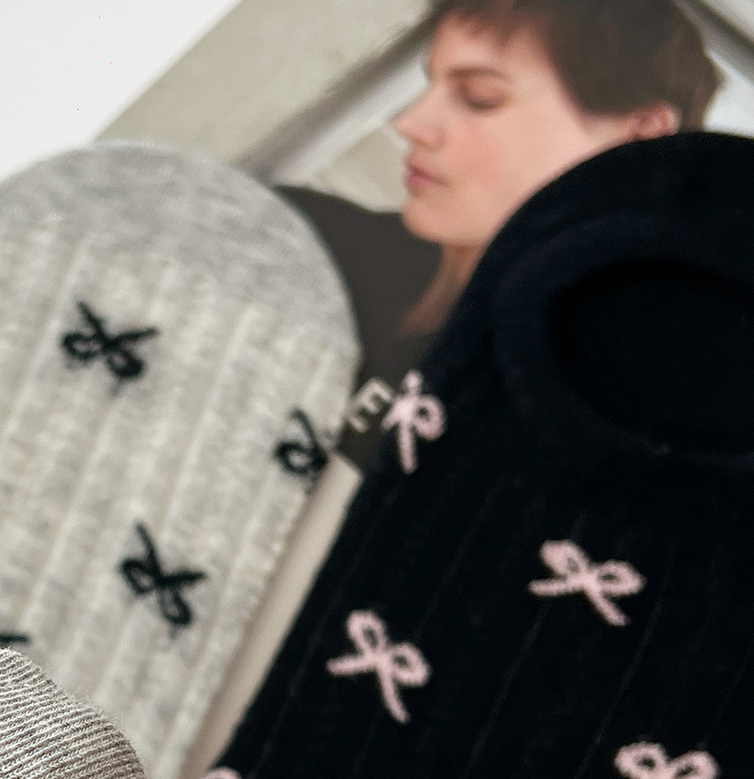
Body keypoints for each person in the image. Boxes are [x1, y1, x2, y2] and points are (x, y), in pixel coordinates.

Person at [286, 0, 721, 468]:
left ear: (637, 141)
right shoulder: (304, 244)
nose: (410, 124)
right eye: (430, 83)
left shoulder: (615, 419)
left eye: (480, 98)